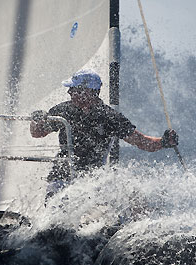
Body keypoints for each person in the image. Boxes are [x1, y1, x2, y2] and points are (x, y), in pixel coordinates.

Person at [30, 68, 178, 198]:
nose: (69, 92)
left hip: (91, 176)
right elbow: (37, 133)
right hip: (62, 171)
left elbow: (142, 142)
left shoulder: (110, 117)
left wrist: (164, 142)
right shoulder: (63, 110)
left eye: (73, 89)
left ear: (88, 92)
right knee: (55, 199)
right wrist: (36, 121)